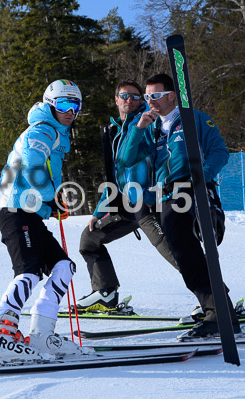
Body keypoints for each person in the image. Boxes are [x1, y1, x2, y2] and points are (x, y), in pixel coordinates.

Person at [119, 73, 244, 338]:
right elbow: (126, 159)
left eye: (156, 95)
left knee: (196, 251)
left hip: (192, 189)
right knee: (186, 257)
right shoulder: (150, 128)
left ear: (172, 96)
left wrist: (202, 176)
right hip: (165, 198)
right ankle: (219, 311)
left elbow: (219, 151)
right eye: (147, 96)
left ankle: (218, 313)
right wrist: (138, 128)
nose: (150, 101)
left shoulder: (193, 119)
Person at [0, 79, 93, 362]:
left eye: (76, 106)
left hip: (28, 210)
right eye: (63, 104)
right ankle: (2, 335)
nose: (70, 111)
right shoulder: (42, 130)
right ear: (50, 105)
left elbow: (33, 184)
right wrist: (53, 196)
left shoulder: (54, 134)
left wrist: (50, 208)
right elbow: (33, 169)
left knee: (62, 266)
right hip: (12, 209)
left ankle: (41, 334)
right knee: (29, 271)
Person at [77, 79, 179, 311]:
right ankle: (105, 293)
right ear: (116, 99)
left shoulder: (150, 121)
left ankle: (218, 303)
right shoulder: (117, 131)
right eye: (125, 96)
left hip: (150, 202)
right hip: (126, 203)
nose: (130, 101)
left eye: (135, 97)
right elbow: (118, 176)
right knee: (90, 239)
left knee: (175, 251)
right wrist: (99, 211)